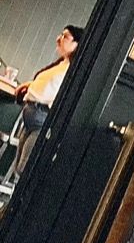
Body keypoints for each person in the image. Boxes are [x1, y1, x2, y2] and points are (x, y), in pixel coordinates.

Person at [13, 24, 83, 174]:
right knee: (19, 165)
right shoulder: (62, 64)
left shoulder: (72, 70)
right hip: (31, 116)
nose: (59, 39)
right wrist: (29, 85)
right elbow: (47, 84)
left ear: (76, 44)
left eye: (66, 37)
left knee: (24, 168)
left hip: (42, 119)